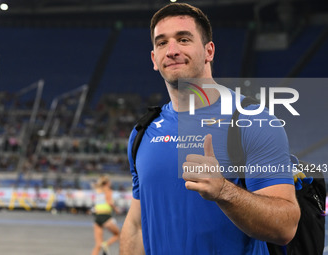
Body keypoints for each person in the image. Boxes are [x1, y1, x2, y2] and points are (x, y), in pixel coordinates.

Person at [120, 3, 301, 255]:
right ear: (154, 59)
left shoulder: (253, 122)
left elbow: (286, 226)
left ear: (209, 51)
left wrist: (224, 191)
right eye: (162, 43)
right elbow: (137, 225)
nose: (171, 51)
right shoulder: (143, 131)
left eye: (183, 39)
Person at [91, 175, 120, 255]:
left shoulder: (98, 190)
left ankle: (102, 246)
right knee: (118, 234)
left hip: (97, 216)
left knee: (97, 244)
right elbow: (109, 202)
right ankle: (106, 244)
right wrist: (116, 209)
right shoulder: (108, 190)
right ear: (107, 183)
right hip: (105, 215)